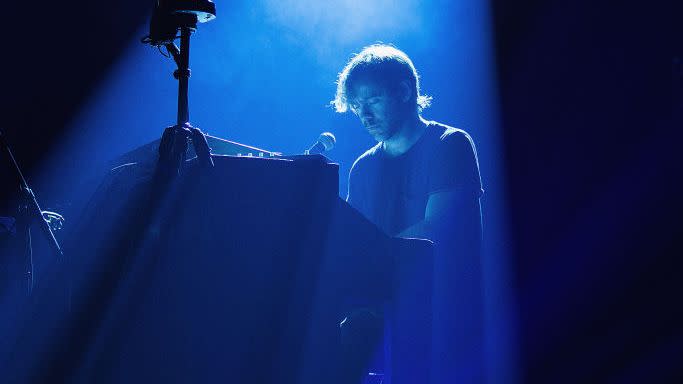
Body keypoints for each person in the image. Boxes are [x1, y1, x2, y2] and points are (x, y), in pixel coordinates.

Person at [333, 44, 485, 383]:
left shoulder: (451, 144)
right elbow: (352, 242)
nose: (364, 115)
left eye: (372, 101)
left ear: (404, 91)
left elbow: (435, 230)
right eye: (357, 106)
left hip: (446, 320)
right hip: (382, 324)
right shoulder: (363, 168)